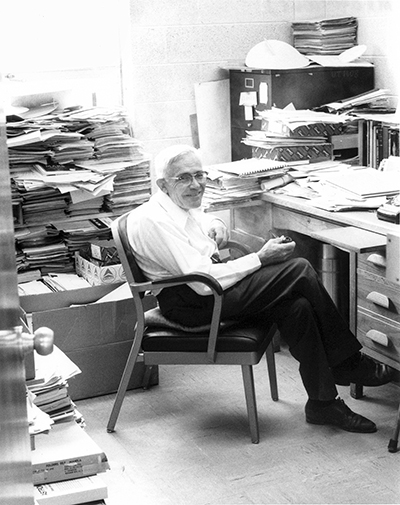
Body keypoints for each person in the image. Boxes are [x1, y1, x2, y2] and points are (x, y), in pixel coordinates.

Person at [126, 144, 393, 434]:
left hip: (207, 290)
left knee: (298, 308)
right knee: (300, 269)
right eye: (184, 178)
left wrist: (216, 222)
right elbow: (202, 282)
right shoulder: (153, 220)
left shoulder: (171, 204)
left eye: (199, 175)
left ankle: (323, 403)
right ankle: (347, 362)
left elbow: (197, 218)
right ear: (162, 184)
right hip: (195, 303)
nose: (196, 184)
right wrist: (259, 258)